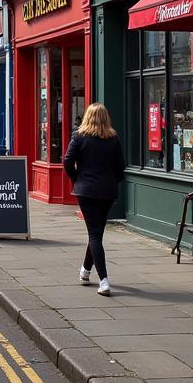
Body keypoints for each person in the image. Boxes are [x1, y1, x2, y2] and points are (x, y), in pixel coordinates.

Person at [64, 103, 126, 297]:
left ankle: (104, 281)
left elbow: (67, 161)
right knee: (96, 234)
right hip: (107, 192)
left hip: (87, 191)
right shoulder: (113, 139)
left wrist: (77, 178)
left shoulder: (79, 137)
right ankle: (85, 270)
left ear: (87, 117)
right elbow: (120, 167)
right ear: (106, 117)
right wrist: (111, 180)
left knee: (95, 235)